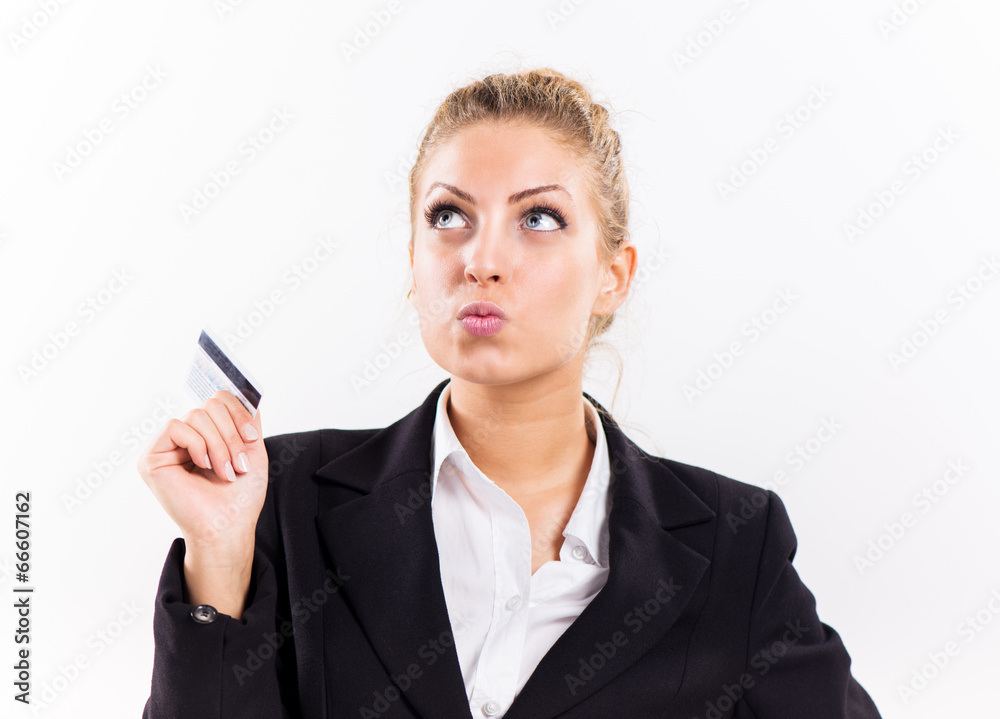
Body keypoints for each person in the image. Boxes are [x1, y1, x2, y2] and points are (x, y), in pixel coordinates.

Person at [138, 67, 882, 718]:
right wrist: (219, 552)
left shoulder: (733, 544)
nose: (482, 259)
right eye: (449, 217)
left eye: (538, 218)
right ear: (413, 259)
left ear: (612, 276)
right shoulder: (281, 501)